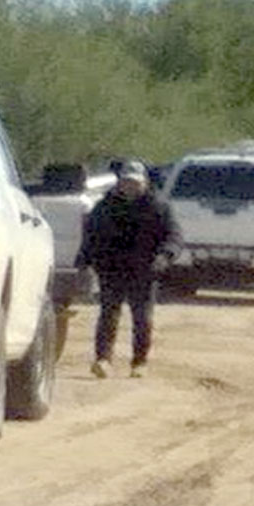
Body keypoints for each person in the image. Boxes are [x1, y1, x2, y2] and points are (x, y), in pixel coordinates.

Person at [75, 160, 181, 379]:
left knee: (142, 318)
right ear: (119, 183)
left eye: (135, 182)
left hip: (144, 270)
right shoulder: (105, 206)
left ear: (144, 183)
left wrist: (165, 256)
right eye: (126, 182)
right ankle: (103, 359)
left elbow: (174, 236)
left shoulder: (158, 207)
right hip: (111, 269)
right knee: (108, 314)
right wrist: (84, 260)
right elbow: (91, 235)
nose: (130, 186)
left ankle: (139, 362)